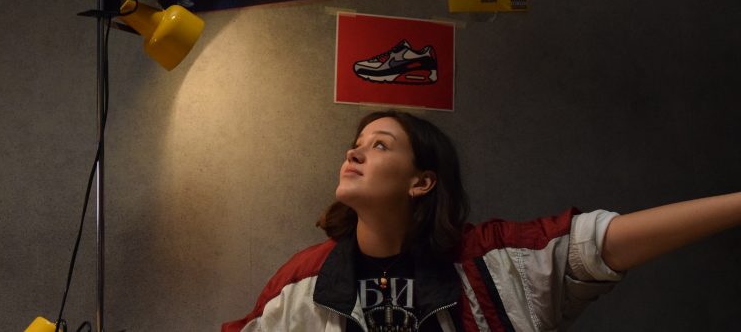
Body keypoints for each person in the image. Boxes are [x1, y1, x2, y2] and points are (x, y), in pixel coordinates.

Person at [222, 110, 741, 331]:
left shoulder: (495, 262)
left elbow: (603, 243)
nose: (353, 154)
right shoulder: (302, 281)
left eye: (379, 145)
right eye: (355, 145)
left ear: (421, 181)